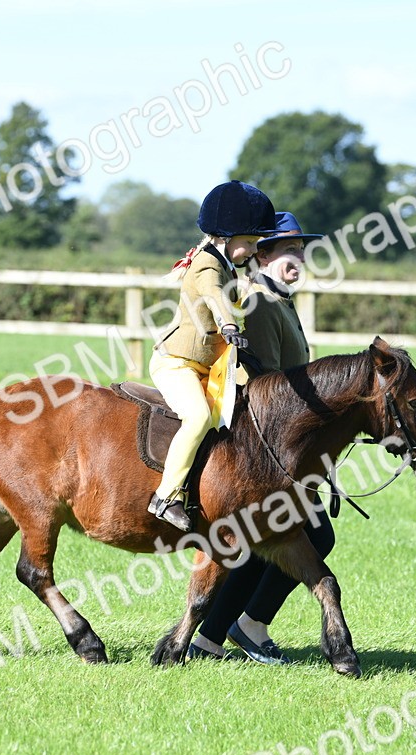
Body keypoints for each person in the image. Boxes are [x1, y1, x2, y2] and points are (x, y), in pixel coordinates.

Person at [185, 211, 335, 662]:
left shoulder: (280, 299)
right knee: (308, 536)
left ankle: (214, 638)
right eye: (288, 250)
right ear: (263, 255)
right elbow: (266, 379)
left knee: (262, 543)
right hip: (264, 441)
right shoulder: (260, 302)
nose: (298, 259)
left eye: (301, 251)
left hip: (282, 440)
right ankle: (246, 626)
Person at [148, 181, 277, 532]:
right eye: (249, 243)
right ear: (225, 236)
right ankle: (165, 496)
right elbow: (214, 296)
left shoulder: (225, 263)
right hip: (177, 363)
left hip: (208, 365)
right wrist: (229, 325)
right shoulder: (207, 265)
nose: (252, 250)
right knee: (198, 417)